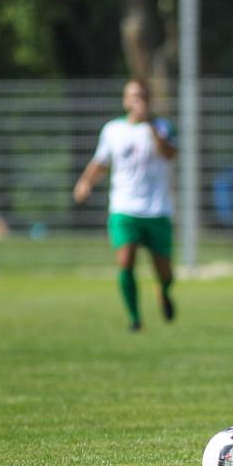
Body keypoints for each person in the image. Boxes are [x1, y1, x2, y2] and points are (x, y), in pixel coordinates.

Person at [73, 79, 178, 331]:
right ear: (124, 100)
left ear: (149, 100)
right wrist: (85, 182)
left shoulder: (163, 127)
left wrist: (150, 125)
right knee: (125, 260)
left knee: (165, 271)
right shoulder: (113, 130)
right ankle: (135, 318)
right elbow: (101, 162)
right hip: (124, 208)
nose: (136, 101)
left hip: (156, 209)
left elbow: (170, 154)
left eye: (141, 96)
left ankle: (163, 291)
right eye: (132, 96)